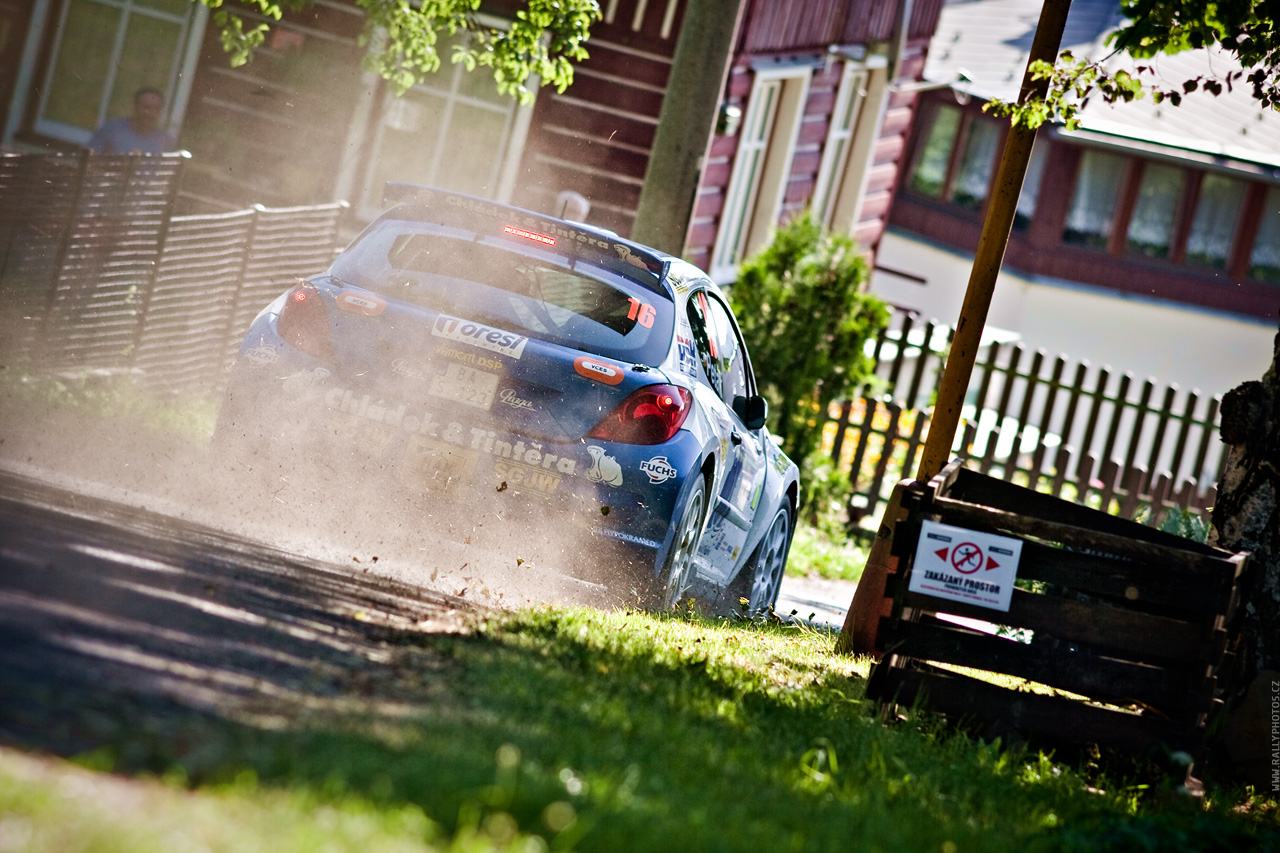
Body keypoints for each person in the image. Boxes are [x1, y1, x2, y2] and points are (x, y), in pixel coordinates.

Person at [87, 87, 176, 154]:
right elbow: (89, 158)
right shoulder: (113, 129)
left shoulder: (165, 141)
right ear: (135, 107)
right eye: (146, 108)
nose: (150, 114)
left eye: (156, 109)